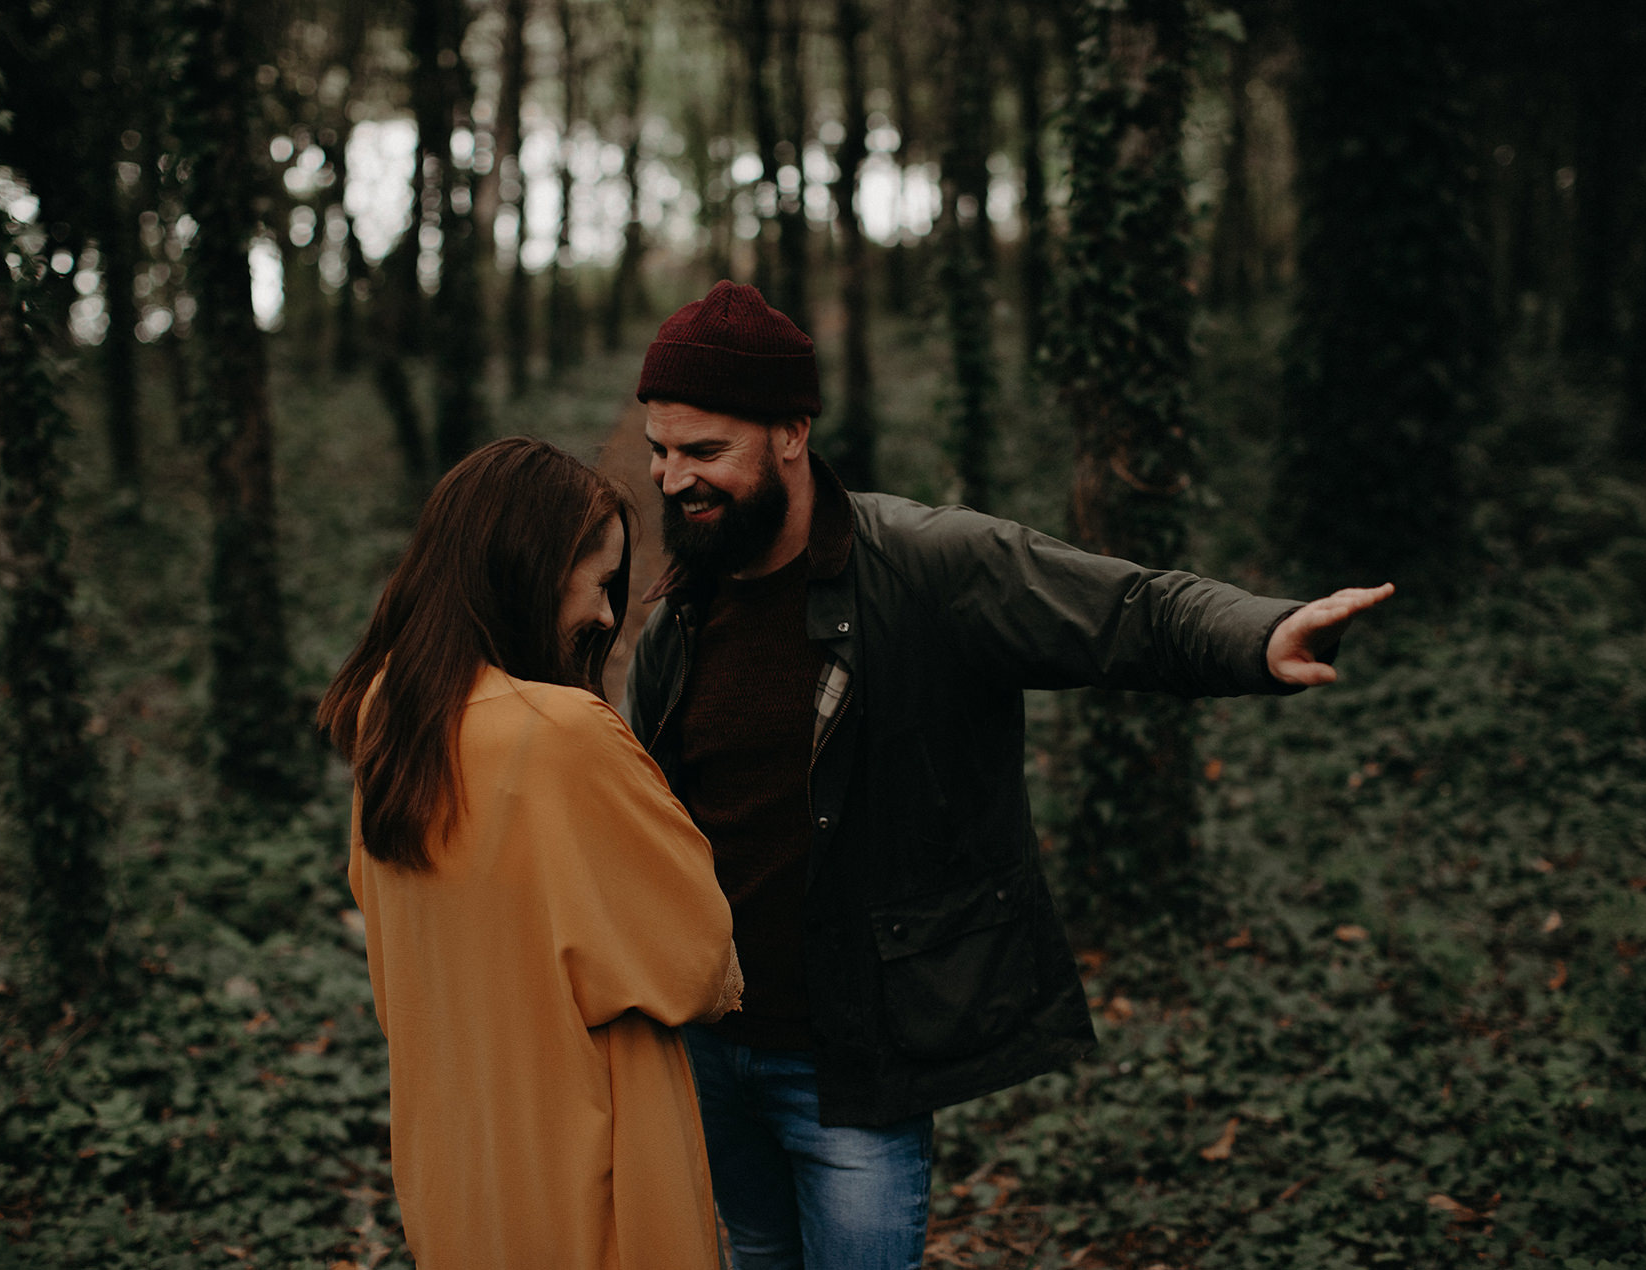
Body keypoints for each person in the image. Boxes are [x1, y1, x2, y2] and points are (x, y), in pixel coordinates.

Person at [622, 281, 1394, 1270]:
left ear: (790, 431)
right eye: (658, 449)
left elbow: (1128, 611)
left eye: (702, 451)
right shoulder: (681, 610)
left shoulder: (926, 565)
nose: (670, 477)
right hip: (710, 1047)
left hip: (852, 1062)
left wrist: (1257, 634)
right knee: (759, 1252)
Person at [319, 437, 743, 1269]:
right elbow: (696, 957)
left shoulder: (386, 723)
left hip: (458, 1165)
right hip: (591, 1153)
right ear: (533, 568)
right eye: (599, 582)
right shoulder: (562, 735)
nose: (609, 616)